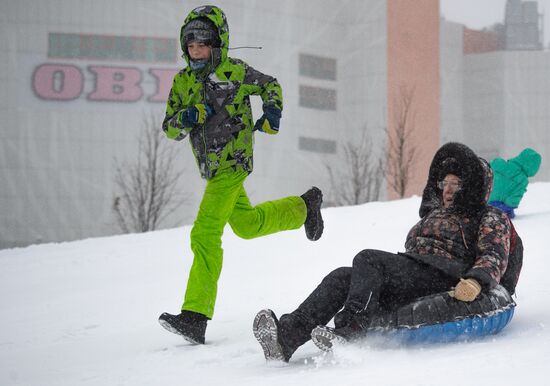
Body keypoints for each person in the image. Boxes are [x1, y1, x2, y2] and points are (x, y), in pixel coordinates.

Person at [253, 142, 512, 362]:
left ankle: (351, 330)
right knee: (343, 276)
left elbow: (494, 253)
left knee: (369, 259)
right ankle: (285, 340)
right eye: (445, 182)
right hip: (417, 273)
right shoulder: (432, 217)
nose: (447, 189)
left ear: (473, 187)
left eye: (456, 184)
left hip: (446, 276)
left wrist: (477, 281)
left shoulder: (487, 215)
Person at [158, 5, 324, 345]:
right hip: (211, 168)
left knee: (205, 234)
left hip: (233, 162)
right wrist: (186, 118)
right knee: (246, 226)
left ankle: (195, 315)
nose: (197, 52)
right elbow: (169, 128)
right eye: (191, 47)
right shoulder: (183, 81)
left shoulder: (235, 72)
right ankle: (303, 207)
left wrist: (272, 112)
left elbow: (270, 86)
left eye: (203, 46)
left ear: (218, 44)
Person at [488, 148, 542, 218]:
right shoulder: (522, 180)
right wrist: (510, 207)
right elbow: (513, 199)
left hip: (483, 198)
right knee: (510, 215)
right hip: (498, 205)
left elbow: (489, 167)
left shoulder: (500, 163)